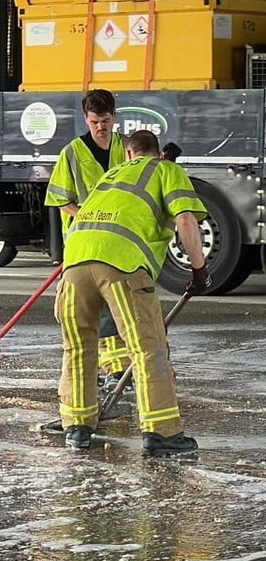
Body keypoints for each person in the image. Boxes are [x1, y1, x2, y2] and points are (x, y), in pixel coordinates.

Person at [54, 129, 211, 455]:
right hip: (121, 266)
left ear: (127, 154)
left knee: (79, 349)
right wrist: (199, 270)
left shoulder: (110, 176)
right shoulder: (167, 170)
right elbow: (185, 219)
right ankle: (162, 434)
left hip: (73, 264)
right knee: (147, 348)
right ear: (158, 154)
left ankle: (77, 428)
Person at [45, 89, 131, 395]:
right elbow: (58, 198)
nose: (100, 127)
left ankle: (117, 370)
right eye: (95, 121)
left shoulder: (126, 149)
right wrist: (86, 216)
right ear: (86, 119)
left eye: (105, 120)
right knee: (85, 307)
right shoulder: (72, 153)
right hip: (83, 244)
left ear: (114, 117)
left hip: (119, 243)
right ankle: (91, 370)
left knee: (116, 305)